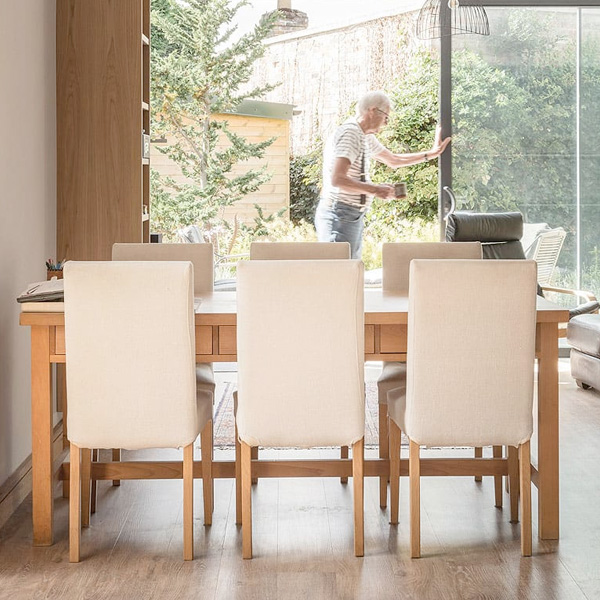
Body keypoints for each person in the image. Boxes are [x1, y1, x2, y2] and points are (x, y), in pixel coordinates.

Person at [315, 90, 451, 259]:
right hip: (339, 214)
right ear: (372, 111)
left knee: (350, 272)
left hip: (351, 215)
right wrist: (375, 190)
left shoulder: (363, 135)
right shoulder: (351, 133)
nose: (386, 123)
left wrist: (431, 154)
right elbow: (337, 179)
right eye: (386, 116)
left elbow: (393, 160)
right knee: (340, 274)